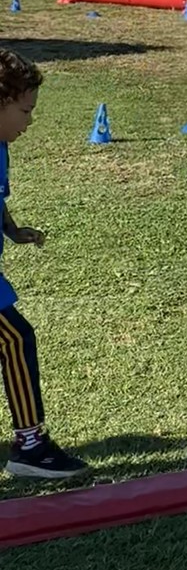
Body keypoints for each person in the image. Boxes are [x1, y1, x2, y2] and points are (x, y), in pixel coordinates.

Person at [0, 49, 89, 478]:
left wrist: (13, 231)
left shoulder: (1, 147)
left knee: (15, 337)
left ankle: (30, 445)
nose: (29, 121)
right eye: (24, 110)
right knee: (15, 338)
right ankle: (30, 447)